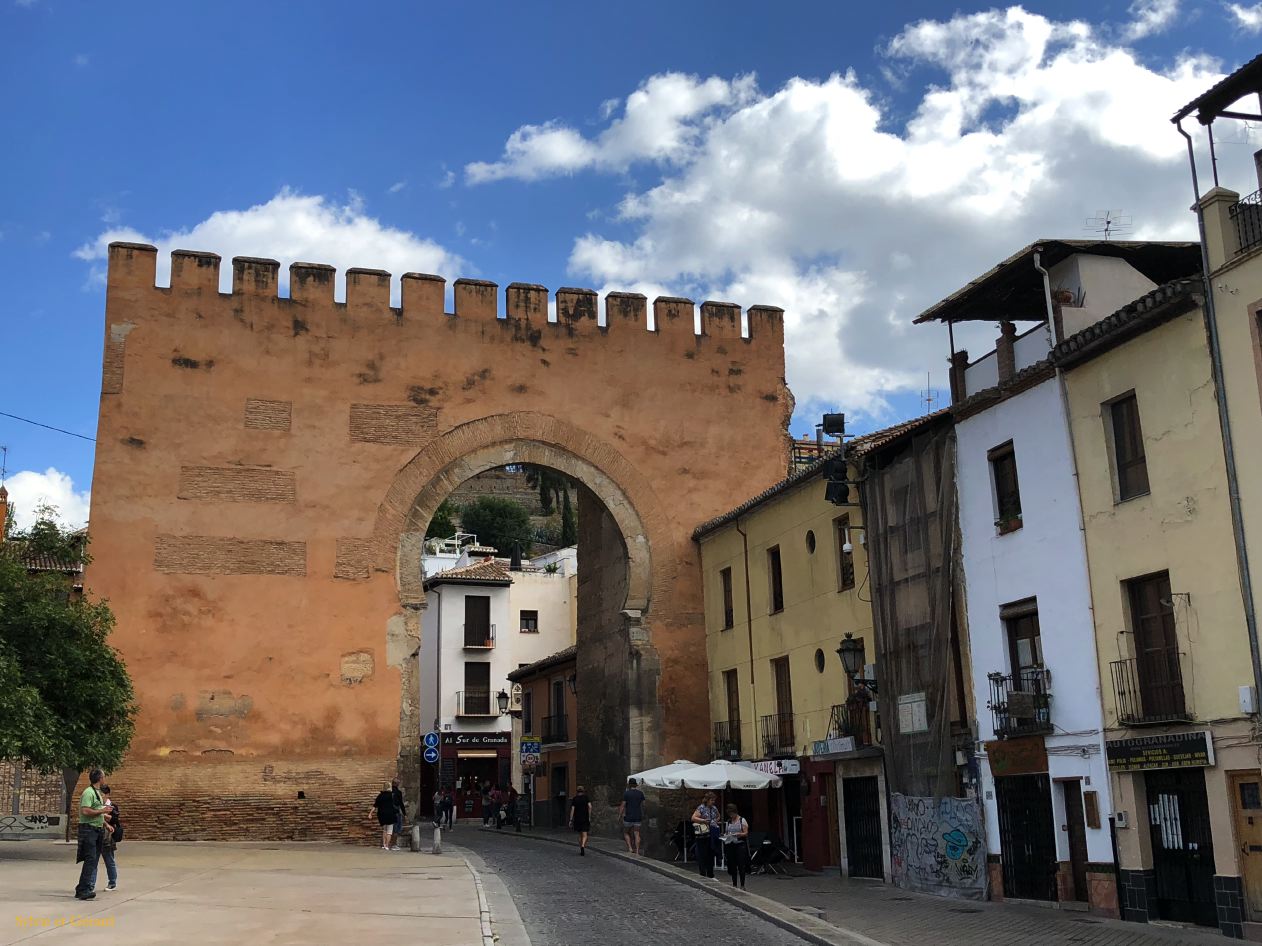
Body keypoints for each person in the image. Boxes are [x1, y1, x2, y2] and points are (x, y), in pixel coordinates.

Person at [74, 769, 110, 900]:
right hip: (89, 830)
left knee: (93, 859)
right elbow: (85, 811)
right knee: (90, 859)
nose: (104, 779)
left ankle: (84, 886)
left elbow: (96, 811)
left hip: (97, 828)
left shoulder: (97, 793)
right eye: (104, 777)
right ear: (100, 778)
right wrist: (102, 811)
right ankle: (83, 889)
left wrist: (105, 822)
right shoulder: (88, 793)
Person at [691, 791, 721, 879]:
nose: (713, 802)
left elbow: (719, 816)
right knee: (702, 853)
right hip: (703, 834)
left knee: (711, 852)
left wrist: (715, 820)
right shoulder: (701, 808)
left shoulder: (714, 808)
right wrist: (703, 821)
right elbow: (693, 818)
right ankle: (703, 873)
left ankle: (710, 873)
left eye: (714, 800)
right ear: (707, 800)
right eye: (712, 800)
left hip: (712, 832)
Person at [722, 803, 750, 889]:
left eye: (732, 814)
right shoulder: (729, 821)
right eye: (729, 814)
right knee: (732, 865)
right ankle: (734, 884)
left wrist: (739, 834)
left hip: (740, 845)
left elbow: (746, 833)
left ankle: (742, 885)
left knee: (741, 865)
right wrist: (725, 836)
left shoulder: (742, 820)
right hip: (731, 845)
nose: (731, 816)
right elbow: (726, 832)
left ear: (735, 812)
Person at [100, 785, 122, 891]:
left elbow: (114, 819)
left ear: (107, 794)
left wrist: (101, 815)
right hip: (97, 833)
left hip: (108, 836)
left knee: (109, 859)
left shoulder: (112, 806)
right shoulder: (96, 805)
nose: (101, 797)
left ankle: (112, 882)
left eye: (102, 795)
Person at [618, 777, 646, 855]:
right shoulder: (640, 793)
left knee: (626, 832)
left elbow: (622, 805)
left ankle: (630, 848)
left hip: (628, 817)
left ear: (629, 785)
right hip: (638, 816)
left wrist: (620, 815)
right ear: (636, 785)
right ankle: (637, 850)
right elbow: (643, 805)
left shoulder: (626, 793)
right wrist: (643, 813)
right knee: (637, 833)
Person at [371, 781, 397, 850]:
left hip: (382, 815)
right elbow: (396, 804)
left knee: (384, 830)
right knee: (389, 831)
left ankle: (384, 844)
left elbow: (375, 805)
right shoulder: (392, 795)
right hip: (390, 815)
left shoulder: (380, 795)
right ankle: (387, 846)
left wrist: (370, 813)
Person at [568, 785, 592, 855]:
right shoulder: (586, 797)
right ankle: (583, 846)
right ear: (583, 791)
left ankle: (580, 846)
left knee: (579, 835)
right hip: (585, 818)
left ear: (577, 791)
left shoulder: (575, 799)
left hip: (577, 818)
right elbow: (590, 806)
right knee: (585, 834)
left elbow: (572, 809)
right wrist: (589, 816)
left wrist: (571, 819)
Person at [390, 778, 407, 849]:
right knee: (396, 829)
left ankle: (387, 843)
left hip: (388, 812)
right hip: (396, 813)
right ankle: (394, 845)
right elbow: (401, 804)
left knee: (388, 829)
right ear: (396, 784)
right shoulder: (398, 792)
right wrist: (405, 814)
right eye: (398, 783)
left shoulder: (388, 792)